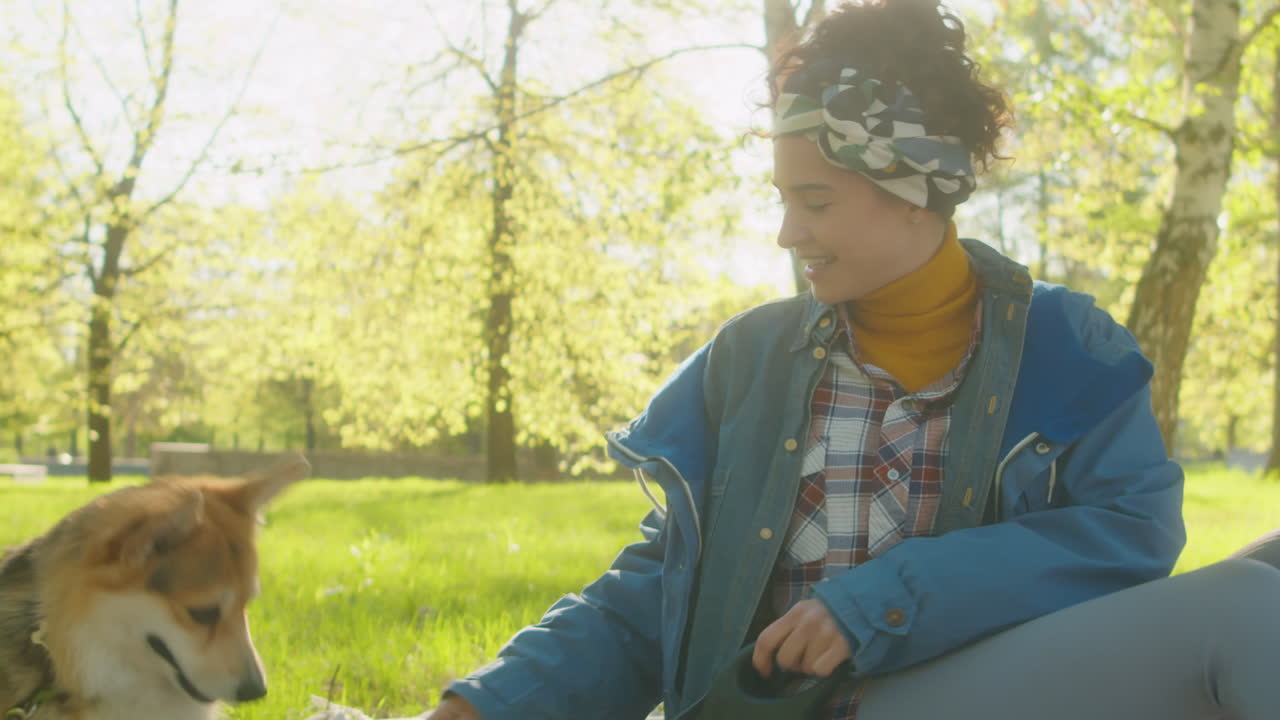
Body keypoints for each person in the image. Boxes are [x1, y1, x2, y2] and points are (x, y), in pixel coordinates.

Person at [425, 1, 1280, 718]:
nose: (788, 232)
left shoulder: (1070, 347)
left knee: (1266, 577)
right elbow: (652, 595)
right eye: (784, 199)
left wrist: (885, 598)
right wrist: (485, 706)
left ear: (913, 189)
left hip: (984, 690)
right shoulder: (749, 360)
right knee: (1248, 607)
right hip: (798, 710)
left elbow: (1130, 535)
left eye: (816, 201)